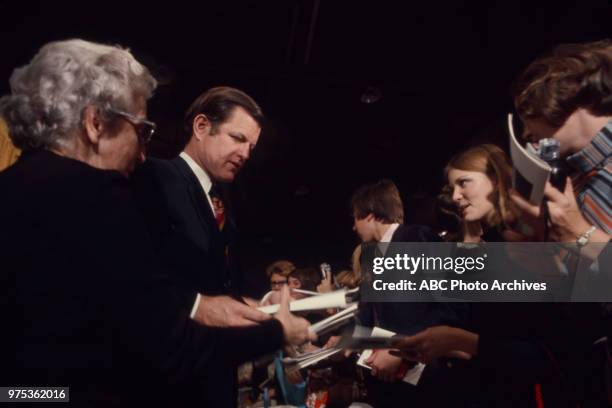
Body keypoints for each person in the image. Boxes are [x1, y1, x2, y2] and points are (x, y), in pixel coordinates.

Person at [0, 39, 313, 406]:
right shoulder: (101, 191)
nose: (143, 151)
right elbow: (169, 346)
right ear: (95, 122)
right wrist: (277, 332)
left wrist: (208, 304)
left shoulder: (14, 187)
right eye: (142, 130)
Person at [394, 144, 585, 407]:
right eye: (453, 189)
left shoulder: (523, 242)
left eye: (464, 183)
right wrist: (441, 343)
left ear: (496, 179)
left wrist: (457, 339)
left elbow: (546, 351)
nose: (456, 197)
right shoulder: (494, 242)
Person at [350, 179, 465, 407]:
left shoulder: (417, 237)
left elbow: (449, 305)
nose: (353, 227)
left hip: (428, 381)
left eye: (355, 218)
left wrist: (399, 348)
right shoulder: (370, 257)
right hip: (389, 384)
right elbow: (371, 314)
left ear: (370, 215)